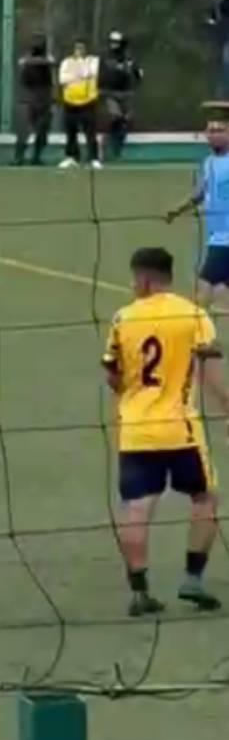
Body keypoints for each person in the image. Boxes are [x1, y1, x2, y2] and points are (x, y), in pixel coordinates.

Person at [102, 247, 229, 617]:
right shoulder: (193, 315)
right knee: (205, 497)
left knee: (137, 506)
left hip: (136, 430)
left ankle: (139, 591)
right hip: (181, 429)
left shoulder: (123, 318)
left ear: (143, 279)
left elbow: (113, 376)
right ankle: (193, 579)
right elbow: (211, 370)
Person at [166, 115, 229, 314]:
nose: (214, 135)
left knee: (204, 291)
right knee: (218, 291)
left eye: (220, 130)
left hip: (225, 239)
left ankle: (195, 331)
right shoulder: (209, 162)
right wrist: (178, 209)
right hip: (216, 236)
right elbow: (201, 192)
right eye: (211, 131)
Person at [58, 38, 101, 169]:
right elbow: (62, 79)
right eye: (77, 48)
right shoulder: (66, 62)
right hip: (70, 101)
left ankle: (93, 158)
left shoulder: (93, 61)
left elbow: (89, 72)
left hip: (88, 102)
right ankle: (72, 157)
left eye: (82, 48)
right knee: (71, 132)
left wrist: (76, 73)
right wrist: (78, 75)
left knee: (90, 132)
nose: (79, 50)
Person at [100, 31, 143, 161]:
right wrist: (100, 87)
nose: (114, 44)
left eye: (116, 42)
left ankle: (117, 149)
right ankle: (105, 143)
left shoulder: (128, 58)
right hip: (110, 92)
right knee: (115, 117)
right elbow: (101, 73)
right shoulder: (105, 57)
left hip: (126, 93)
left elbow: (138, 73)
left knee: (126, 121)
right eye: (112, 42)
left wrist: (136, 79)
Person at [14, 34, 55, 166]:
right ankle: (19, 156)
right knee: (24, 130)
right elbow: (23, 63)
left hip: (44, 96)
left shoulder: (47, 60)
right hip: (29, 96)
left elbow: (50, 63)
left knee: (42, 130)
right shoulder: (26, 59)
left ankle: (36, 156)